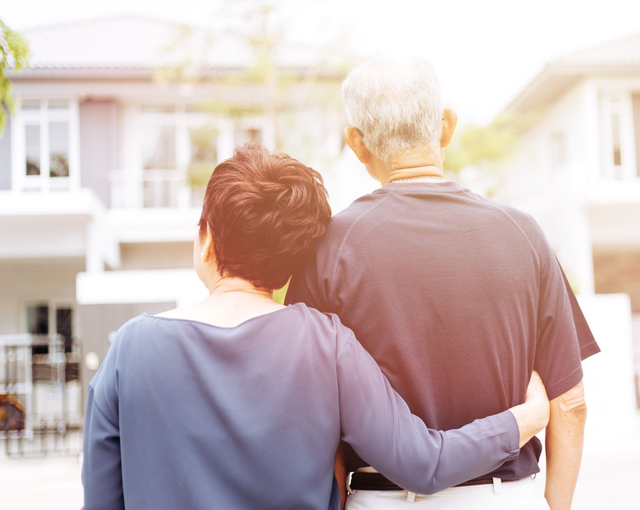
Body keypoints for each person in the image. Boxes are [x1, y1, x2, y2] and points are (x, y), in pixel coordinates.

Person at [82, 143, 549, 510]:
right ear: (292, 265)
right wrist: (526, 417)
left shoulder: (130, 350)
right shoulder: (327, 344)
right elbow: (423, 463)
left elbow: (101, 503)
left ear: (206, 240)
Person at [286, 57, 601, 509]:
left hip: (381, 498)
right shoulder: (523, 234)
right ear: (446, 126)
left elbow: (315, 420)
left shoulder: (328, 249)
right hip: (506, 498)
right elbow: (570, 404)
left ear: (356, 144)